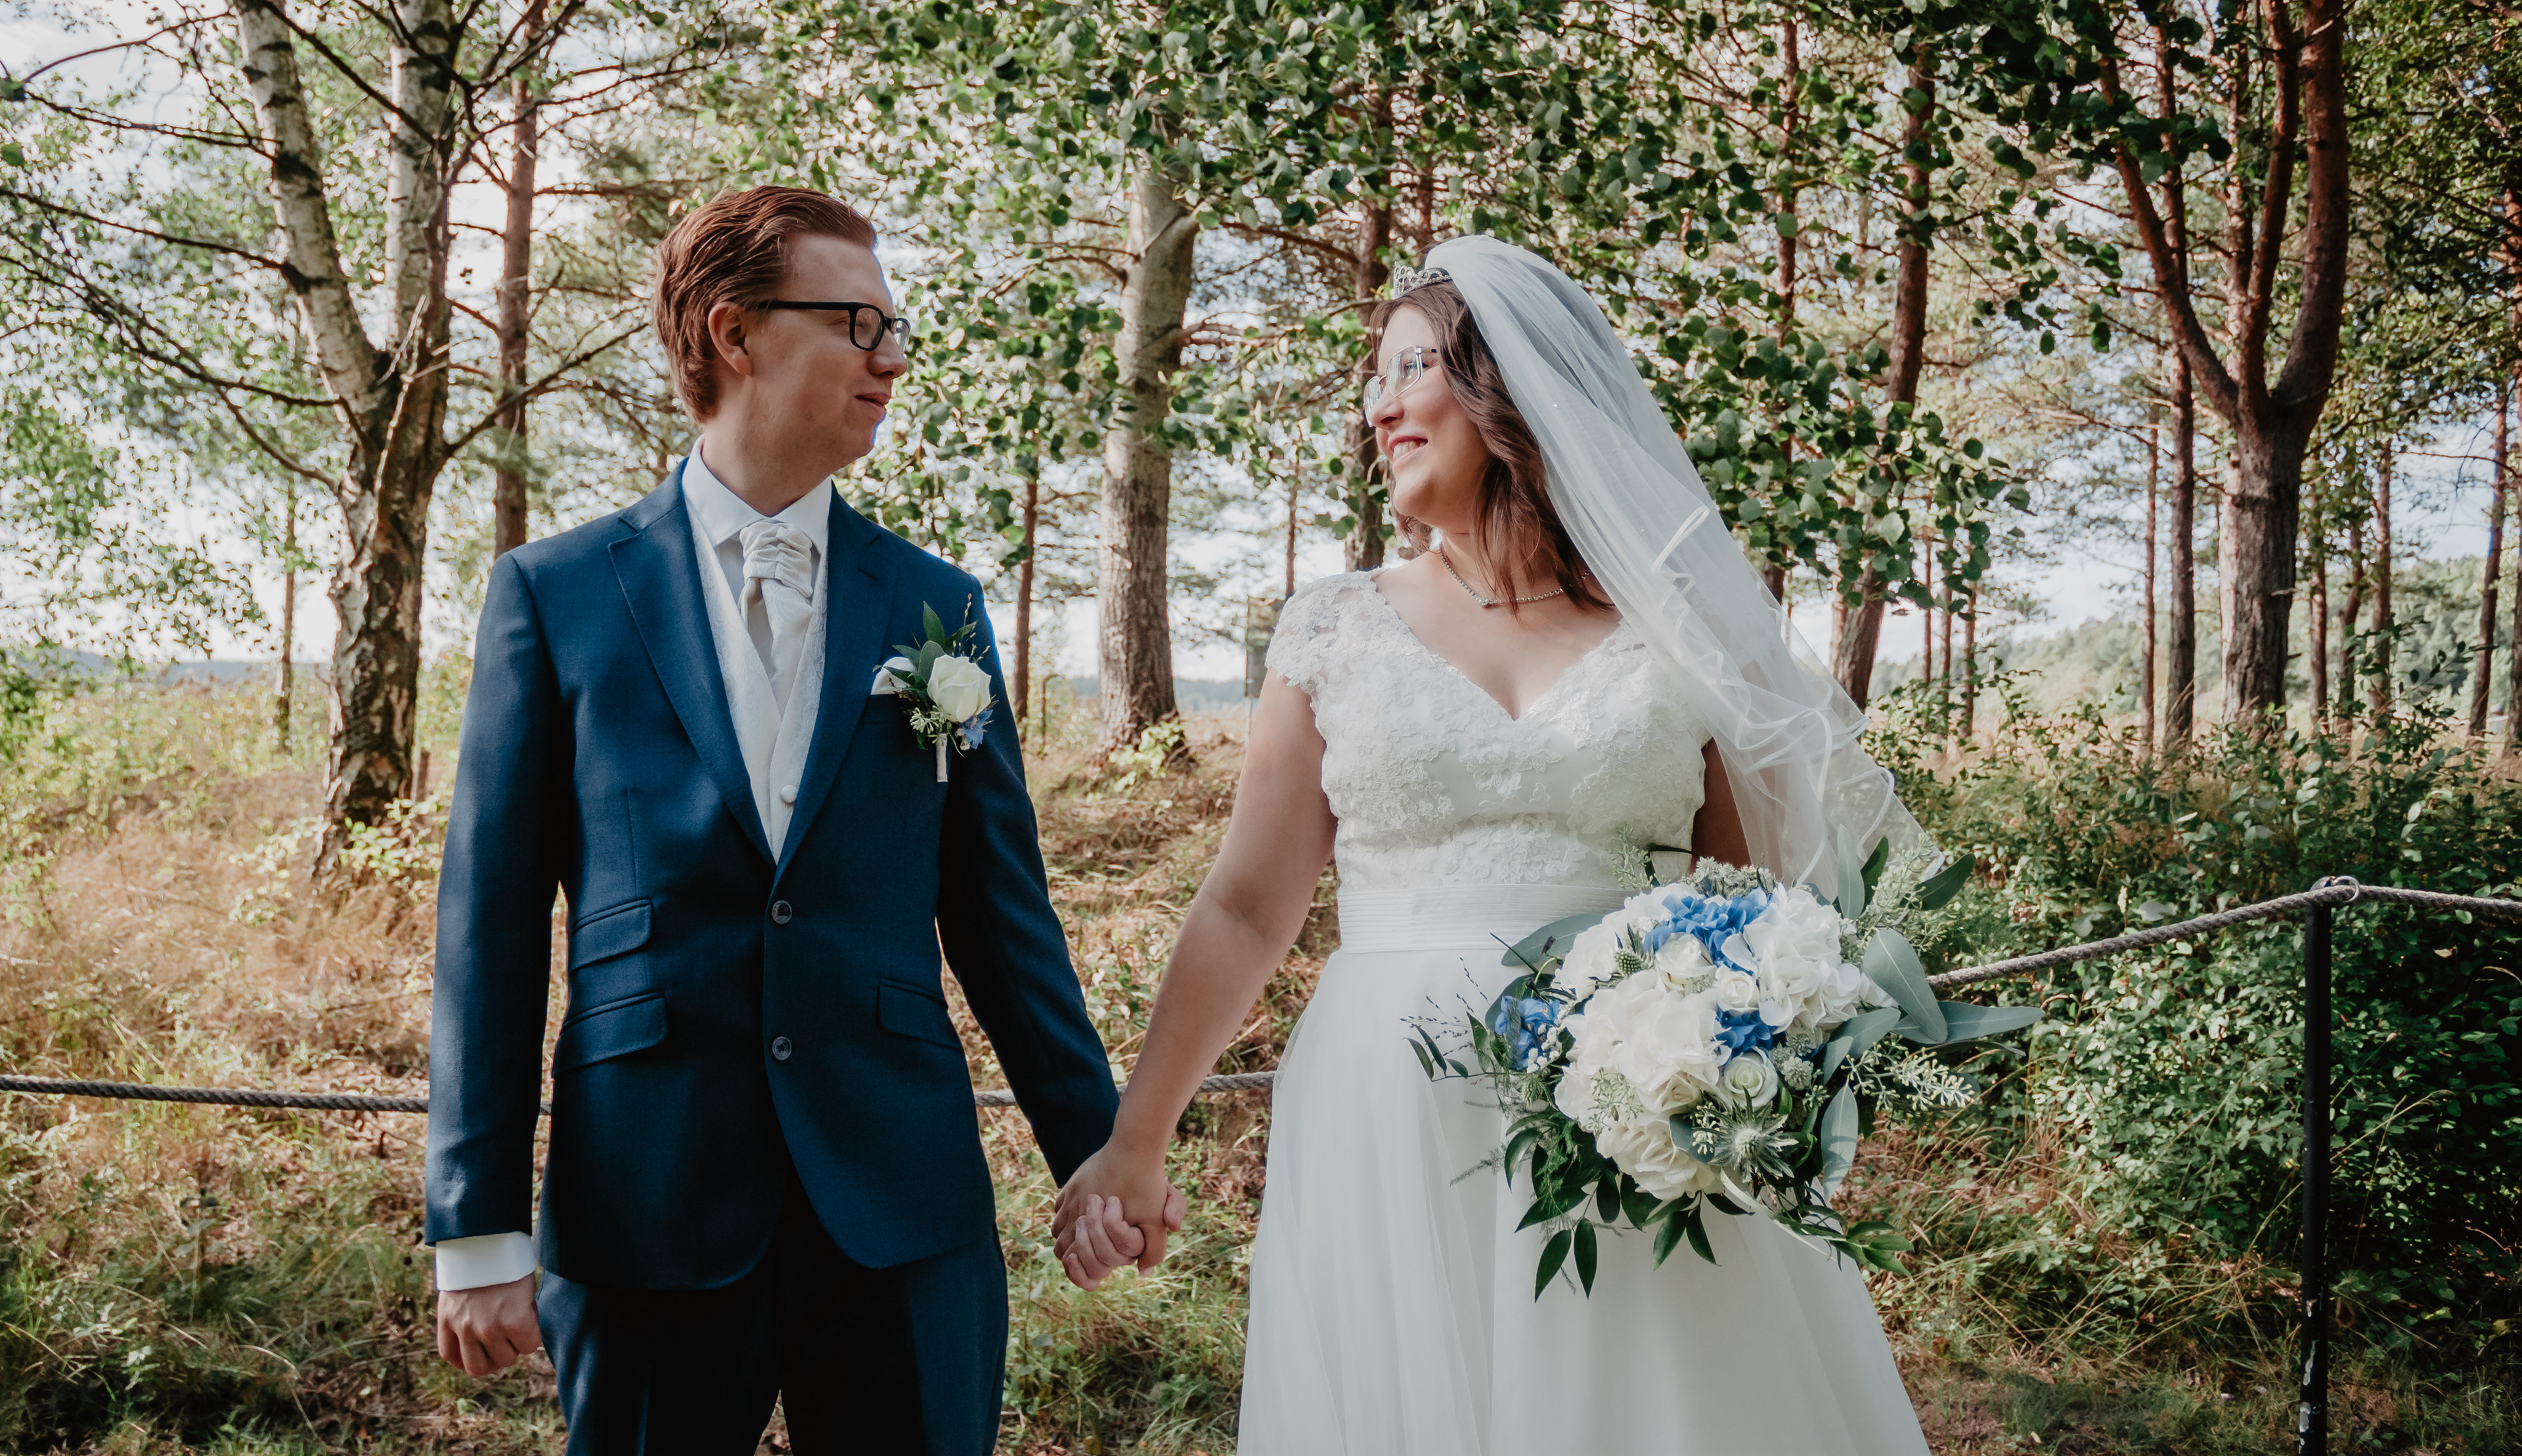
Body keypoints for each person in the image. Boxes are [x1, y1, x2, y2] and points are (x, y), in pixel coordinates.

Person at [1053, 236, 1931, 1453]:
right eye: (1375, 378)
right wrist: (1135, 1141)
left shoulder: (1676, 634)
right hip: (1387, 1112)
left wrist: (1727, 1077)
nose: (1380, 405)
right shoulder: (1333, 628)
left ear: (1508, 386)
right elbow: (1247, 908)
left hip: (1634, 1117)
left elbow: (1751, 908)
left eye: (1411, 367)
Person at [424, 186, 1147, 1455]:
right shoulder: (555, 595)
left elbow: (1002, 915)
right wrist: (479, 1226)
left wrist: (1097, 1146)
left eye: (895, 326)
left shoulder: (937, 605)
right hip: (648, 1198)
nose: (892, 357)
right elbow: (488, 928)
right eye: (858, 322)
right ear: (734, 333)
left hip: (901, 1203)